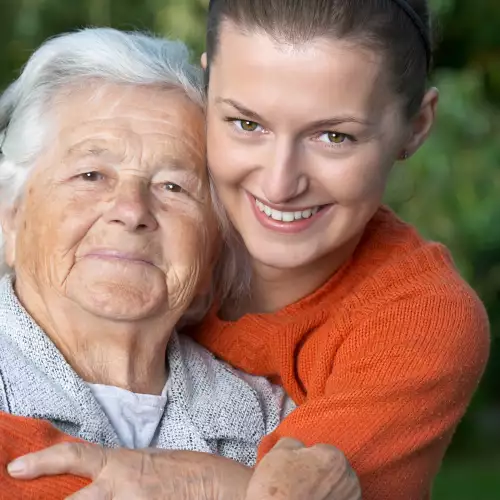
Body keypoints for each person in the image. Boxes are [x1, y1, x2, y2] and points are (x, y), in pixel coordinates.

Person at [6, 0, 490, 498]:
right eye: (247, 124)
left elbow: (300, 491)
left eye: (334, 136)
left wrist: (204, 480)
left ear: (416, 125)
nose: (279, 185)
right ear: (209, 87)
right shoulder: (161, 237)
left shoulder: (414, 318)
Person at [0, 28, 360, 500]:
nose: (131, 211)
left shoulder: (272, 421)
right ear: (11, 215)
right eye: (91, 175)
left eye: (174, 187)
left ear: (215, 240)